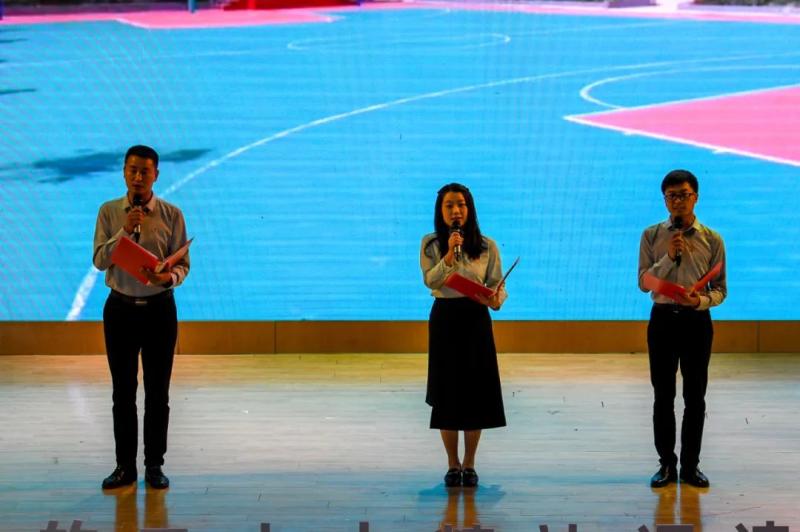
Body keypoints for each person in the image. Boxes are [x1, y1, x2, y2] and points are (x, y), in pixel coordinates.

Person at [93, 145, 190, 490]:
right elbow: (99, 261)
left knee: (157, 392)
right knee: (123, 392)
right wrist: (124, 231)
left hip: (159, 311)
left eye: (144, 171)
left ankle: (154, 465)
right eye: (132, 170)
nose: (137, 177)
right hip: (120, 310)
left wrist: (168, 277)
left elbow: (183, 264)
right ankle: (124, 467)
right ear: (123, 172)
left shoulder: (172, 214)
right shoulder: (108, 212)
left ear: (155, 175)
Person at [638, 169, 726, 488]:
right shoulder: (651, 235)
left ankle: (690, 466)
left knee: (695, 397)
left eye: (684, 195)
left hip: (696, 323)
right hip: (662, 320)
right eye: (672, 196)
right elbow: (643, 281)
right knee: (663, 395)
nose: (678, 201)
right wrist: (668, 257)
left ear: (695, 198)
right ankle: (666, 464)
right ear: (665, 200)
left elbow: (720, 290)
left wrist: (700, 301)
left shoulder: (712, 239)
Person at [420, 183, 507, 488]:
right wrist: (448, 256)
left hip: (475, 319)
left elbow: (496, 284)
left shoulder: (486, 245)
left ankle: (469, 464)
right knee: (447, 394)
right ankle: (452, 464)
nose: (456, 211)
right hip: (445, 319)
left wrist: (496, 299)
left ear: (469, 209)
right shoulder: (431, 244)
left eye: (461, 205)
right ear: (440, 211)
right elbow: (430, 280)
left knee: (475, 394)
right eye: (449, 206)